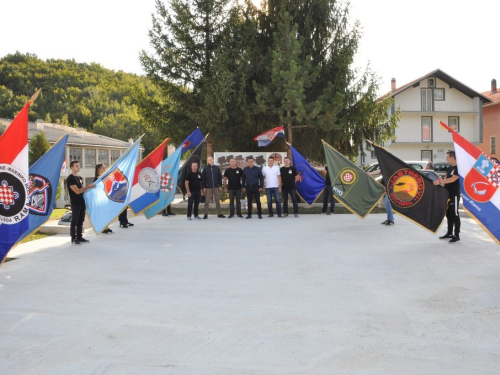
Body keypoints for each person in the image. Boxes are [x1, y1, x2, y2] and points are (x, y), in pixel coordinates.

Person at [434, 150, 461, 243]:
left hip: (454, 195)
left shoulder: (459, 168)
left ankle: (456, 235)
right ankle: (449, 233)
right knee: (449, 215)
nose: (446, 159)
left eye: (447, 157)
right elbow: (445, 179)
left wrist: (440, 181)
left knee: (455, 215)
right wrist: (440, 186)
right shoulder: (450, 168)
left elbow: (453, 179)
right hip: (448, 195)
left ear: (452, 157)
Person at [66, 160, 94, 245]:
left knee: (81, 220)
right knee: (75, 221)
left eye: (79, 165)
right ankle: (73, 238)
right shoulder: (70, 178)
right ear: (72, 167)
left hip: (82, 202)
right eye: (76, 166)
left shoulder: (79, 178)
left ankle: (79, 236)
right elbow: (77, 191)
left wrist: (90, 189)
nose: (78, 167)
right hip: (75, 203)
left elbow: (82, 191)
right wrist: (88, 187)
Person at [94, 164, 112, 233]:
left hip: (105, 198)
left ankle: (106, 227)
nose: (104, 169)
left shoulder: (104, 177)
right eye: (103, 168)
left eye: (105, 168)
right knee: (102, 214)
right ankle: (102, 228)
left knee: (106, 213)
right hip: (100, 199)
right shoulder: (97, 179)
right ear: (98, 169)